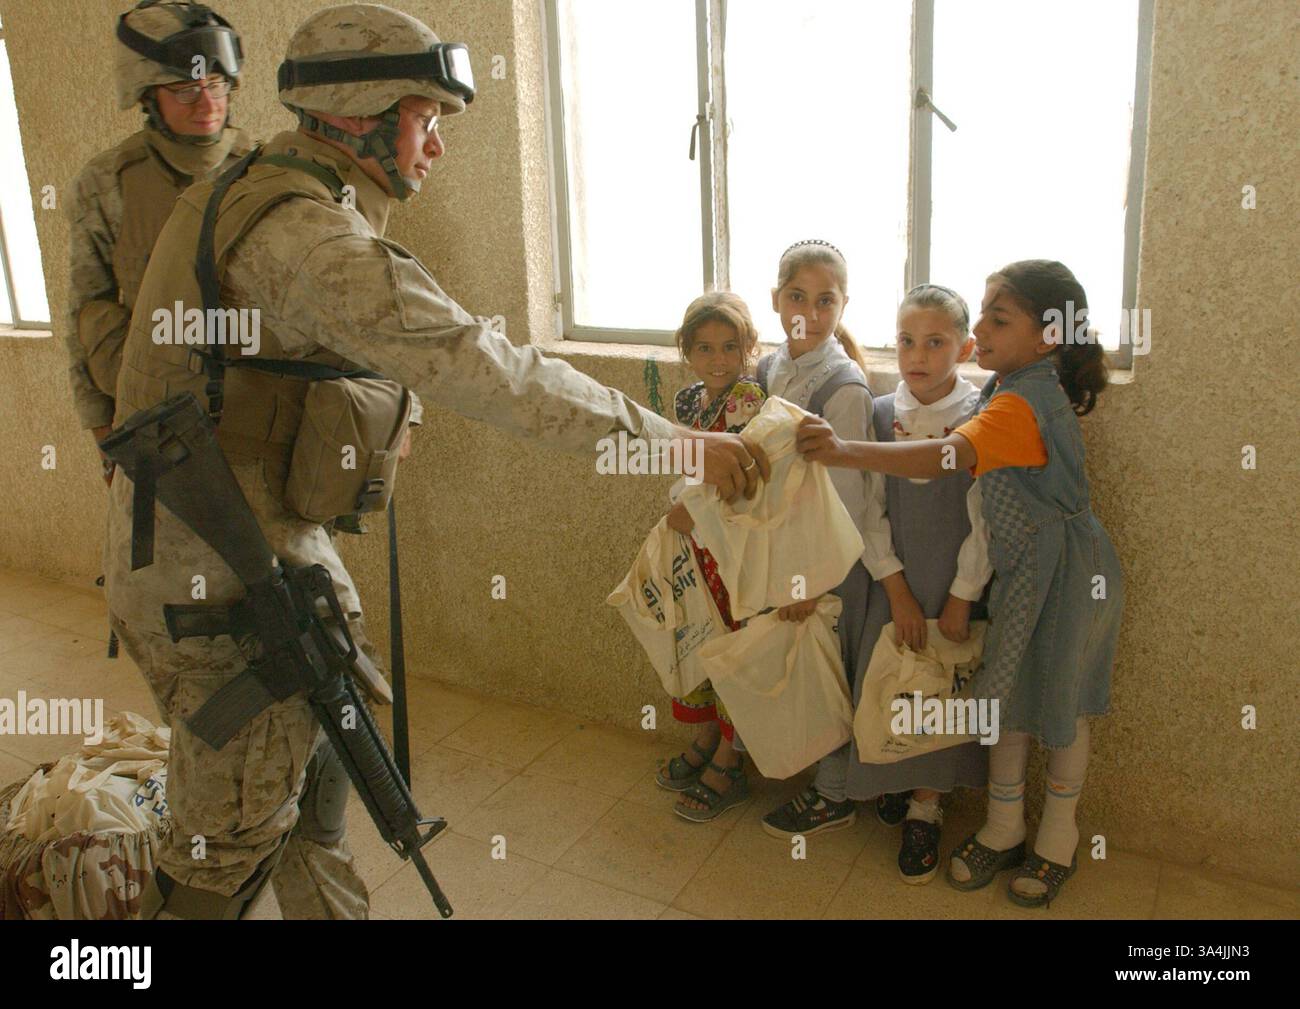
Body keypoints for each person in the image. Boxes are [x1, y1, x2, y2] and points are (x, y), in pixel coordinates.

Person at [103, 3, 766, 920]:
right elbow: (494, 371)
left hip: (241, 536)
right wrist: (683, 439)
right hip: (208, 569)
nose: (436, 148)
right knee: (229, 835)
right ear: (360, 112)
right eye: (424, 120)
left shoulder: (274, 185)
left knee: (327, 745)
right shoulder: (308, 239)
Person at [795, 260, 1123, 907]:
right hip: (1025, 572)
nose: (984, 327)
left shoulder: (1021, 402)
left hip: (1064, 576)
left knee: (1061, 703)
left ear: (1047, 335)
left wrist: (845, 449)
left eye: (1000, 318)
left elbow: (941, 456)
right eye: (984, 313)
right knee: (1003, 700)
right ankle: (1003, 825)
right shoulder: (1010, 384)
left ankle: (1059, 835)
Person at [66, 1, 252, 480]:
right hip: (155, 419)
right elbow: (83, 309)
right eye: (187, 90)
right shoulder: (107, 182)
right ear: (147, 96)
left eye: (216, 85)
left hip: (257, 405)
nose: (209, 105)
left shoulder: (265, 171)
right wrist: (101, 427)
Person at [844, 283, 992, 884]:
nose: (919, 355)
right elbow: (869, 509)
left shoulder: (982, 416)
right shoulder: (880, 415)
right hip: (896, 582)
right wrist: (896, 589)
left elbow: (987, 517)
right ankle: (894, 779)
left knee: (948, 691)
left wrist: (963, 593)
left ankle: (927, 805)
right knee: (890, 684)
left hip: (959, 586)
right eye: (907, 340)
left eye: (936, 342)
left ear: (964, 348)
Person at [750, 239, 893, 841]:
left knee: (831, 672)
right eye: (797, 296)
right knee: (803, 669)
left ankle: (833, 792)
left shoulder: (844, 389)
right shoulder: (771, 368)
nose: (809, 309)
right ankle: (813, 776)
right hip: (783, 549)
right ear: (777, 301)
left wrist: (808, 578)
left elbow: (850, 504)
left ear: (844, 305)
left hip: (827, 562)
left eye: (825, 299)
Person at [655, 292, 766, 821]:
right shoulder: (685, 401)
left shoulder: (750, 400)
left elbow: (744, 480)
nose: (718, 359)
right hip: (691, 544)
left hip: (730, 547)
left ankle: (730, 757)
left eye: (729, 347)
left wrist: (694, 511)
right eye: (705, 348)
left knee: (729, 645)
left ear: (749, 348)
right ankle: (704, 737)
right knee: (694, 635)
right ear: (687, 351)